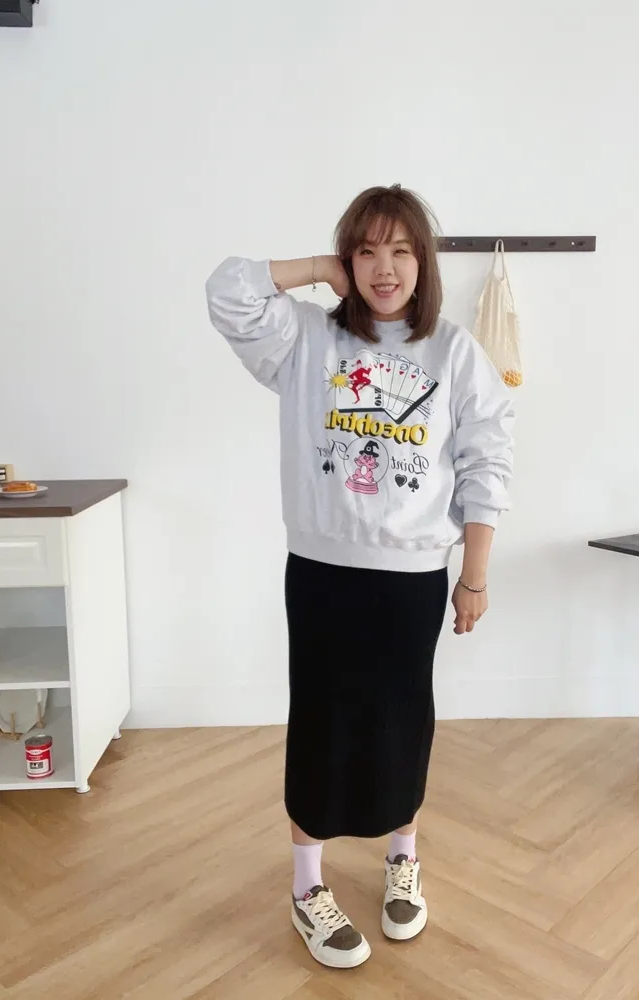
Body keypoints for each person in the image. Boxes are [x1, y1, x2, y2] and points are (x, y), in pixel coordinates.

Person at [205, 184, 514, 969]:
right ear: (349, 258)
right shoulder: (307, 339)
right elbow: (228, 290)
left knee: (404, 719)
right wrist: (318, 268)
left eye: (400, 250)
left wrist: (474, 576)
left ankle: (402, 858)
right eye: (366, 250)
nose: (384, 268)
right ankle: (307, 885)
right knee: (322, 721)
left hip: (413, 578)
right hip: (322, 572)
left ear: (423, 262)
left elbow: (486, 461)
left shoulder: (454, 352)